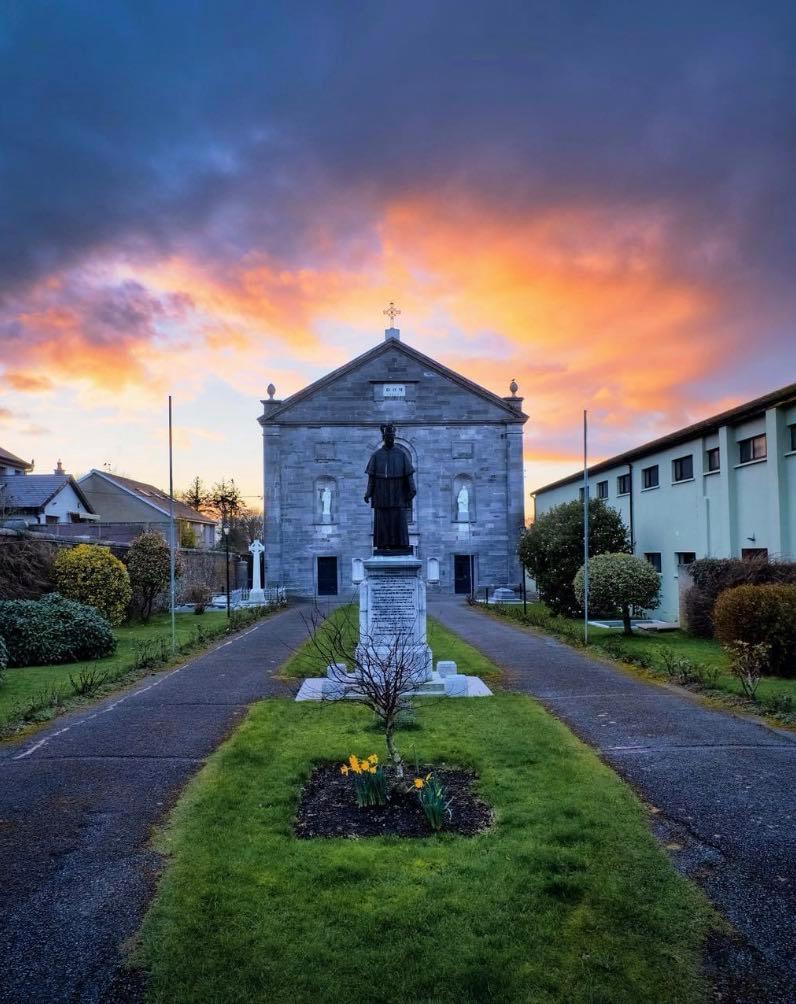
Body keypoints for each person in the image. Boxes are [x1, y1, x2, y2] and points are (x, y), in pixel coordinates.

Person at [364, 423, 416, 554]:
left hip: (398, 492)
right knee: (383, 518)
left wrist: (412, 488)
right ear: (384, 438)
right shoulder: (376, 455)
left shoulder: (401, 454)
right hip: (381, 492)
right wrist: (368, 493)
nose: (390, 439)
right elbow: (371, 477)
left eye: (392, 437)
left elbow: (408, 475)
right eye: (388, 437)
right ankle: (384, 544)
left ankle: (400, 544)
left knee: (398, 517)